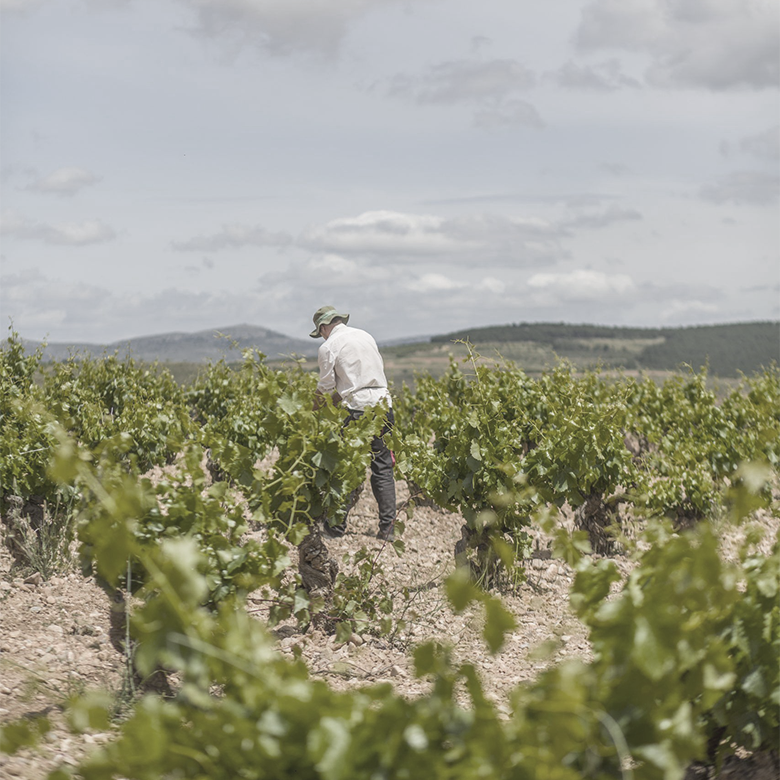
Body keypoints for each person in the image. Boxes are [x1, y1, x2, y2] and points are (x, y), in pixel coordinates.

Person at [309, 305, 396, 541]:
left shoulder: (328, 347)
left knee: (344, 468)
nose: (323, 336)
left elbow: (326, 388)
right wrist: (337, 399)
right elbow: (360, 382)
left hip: (357, 410)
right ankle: (387, 530)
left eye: (321, 332)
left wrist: (310, 411)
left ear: (324, 327)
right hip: (383, 406)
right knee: (383, 468)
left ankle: (335, 529)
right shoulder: (365, 336)